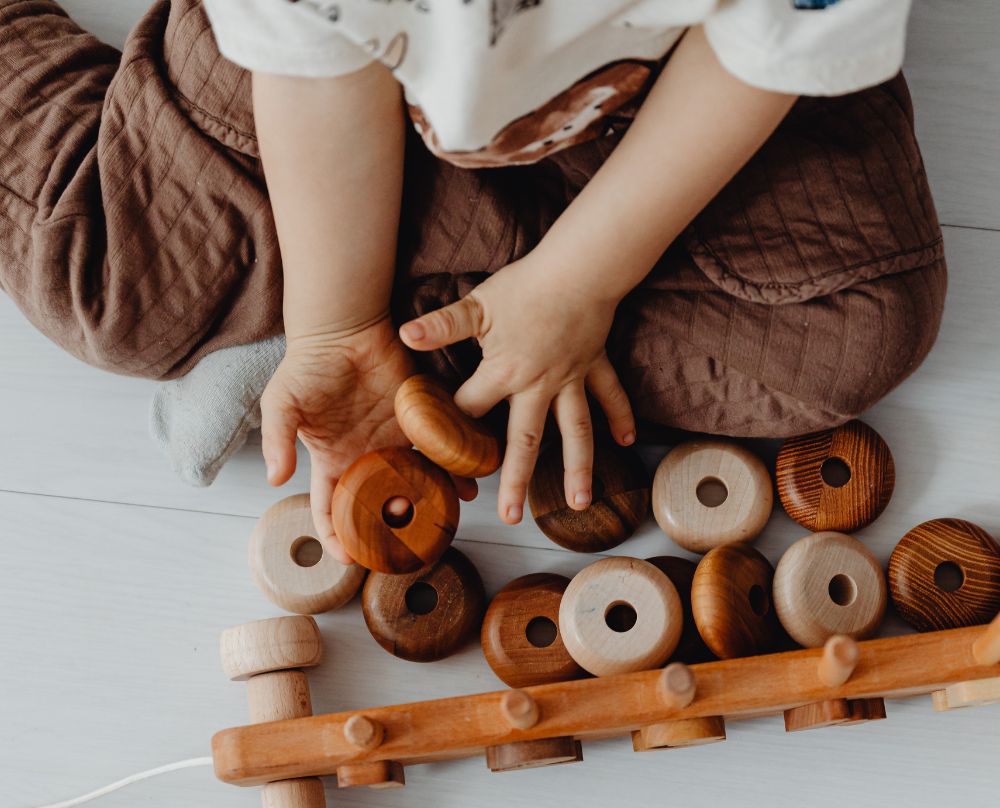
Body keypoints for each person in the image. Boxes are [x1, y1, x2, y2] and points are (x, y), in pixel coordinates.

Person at [0, 0, 946, 559]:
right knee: (109, 291)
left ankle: (453, 304)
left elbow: (764, 54)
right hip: (333, 84)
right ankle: (430, 311)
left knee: (858, 331)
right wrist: (335, 321)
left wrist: (579, 283)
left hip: (668, 100)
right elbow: (314, 62)